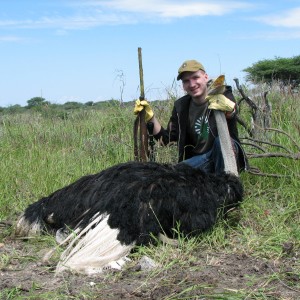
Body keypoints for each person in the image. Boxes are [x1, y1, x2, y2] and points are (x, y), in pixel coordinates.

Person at [134, 59, 248, 174]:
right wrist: (150, 117)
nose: (192, 84)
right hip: (200, 159)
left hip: (227, 154)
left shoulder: (221, 93)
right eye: (186, 81)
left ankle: (224, 187)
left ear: (205, 77)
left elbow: (232, 112)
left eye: (195, 77)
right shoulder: (181, 106)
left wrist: (228, 110)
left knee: (220, 143)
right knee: (170, 174)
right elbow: (167, 140)